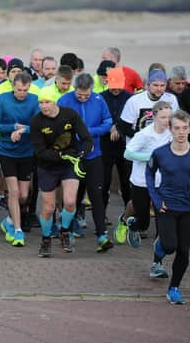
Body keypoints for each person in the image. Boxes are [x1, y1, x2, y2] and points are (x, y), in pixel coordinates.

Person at [30, 86, 93, 258]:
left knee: (70, 202)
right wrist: (62, 155)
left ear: (55, 101)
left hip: (69, 165)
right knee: (49, 208)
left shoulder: (70, 115)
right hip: (47, 167)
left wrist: (82, 153)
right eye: (41, 102)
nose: (44, 106)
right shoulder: (36, 122)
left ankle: (64, 232)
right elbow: (40, 152)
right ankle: (45, 239)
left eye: (47, 102)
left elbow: (86, 138)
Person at [58, 73, 114, 252]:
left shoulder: (98, 100)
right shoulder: (64, 101)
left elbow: (108, 122)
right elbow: (57, 126)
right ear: (74, 89)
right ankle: (68, 229)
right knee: (72, 197)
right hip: (72, 157)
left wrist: (89, 132)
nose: (83, 98)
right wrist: (76, 134)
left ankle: (102, 235)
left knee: (96, 195)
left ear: (91, 89)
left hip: (93, 154)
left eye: (86, 95)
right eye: (79, 95)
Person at [146, 110, 190, 304]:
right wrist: (156, 199)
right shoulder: (160, 153)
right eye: (177, 128)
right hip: (166, 206)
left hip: (187, 209)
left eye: (185, 128)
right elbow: (149, 174)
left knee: (183, 251)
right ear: (170, 129)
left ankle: (174, 288)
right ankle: (161, 245)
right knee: (170, 246)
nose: (181, 132)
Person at [116, 101, 173, 250]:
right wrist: (151, 157)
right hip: (142, 181)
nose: (167, 121)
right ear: (154, 117)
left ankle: (159, 252)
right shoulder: (144, 134)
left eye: (169, 117)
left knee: (163, 217)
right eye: (163, 117)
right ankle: (126, 221)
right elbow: (127, 154)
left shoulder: (172, 133)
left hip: (162, 182)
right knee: (143, 222)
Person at [0, 72, 39, 247]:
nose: (22, 93)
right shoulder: (3, 99)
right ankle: (18, 231)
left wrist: (22, 131)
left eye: (25, 90)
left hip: (26, 152)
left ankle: (10, 221)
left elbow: (37, 125)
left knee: (24, 195)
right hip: (6, 151)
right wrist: (12, 128)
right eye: (19, 90)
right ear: (13, 86)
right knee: (13, 192)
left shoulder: (34, 100)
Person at [100, 68, 132, 220]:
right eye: (113, 85)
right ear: (107, 82)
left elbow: (132, 120)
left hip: (124, 146)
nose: (116, 89)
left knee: (126, 182)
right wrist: (110, 126)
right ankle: (102, 216)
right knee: (104, 182)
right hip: (105, 145)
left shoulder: (130, 98)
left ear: (124, 83)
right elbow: (98, 119)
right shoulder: (100, 98)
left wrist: (118, 126)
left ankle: (129, 216)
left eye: (119, 85)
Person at [118, 69, 179, 142]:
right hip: (138, 146)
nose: (159, 89)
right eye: (155, 85)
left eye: (162, 85)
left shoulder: (171, 99)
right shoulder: (134, 101)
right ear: (148, 85)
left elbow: (175, 122)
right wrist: (144, 139)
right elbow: (124, 127)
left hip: (163, 144)